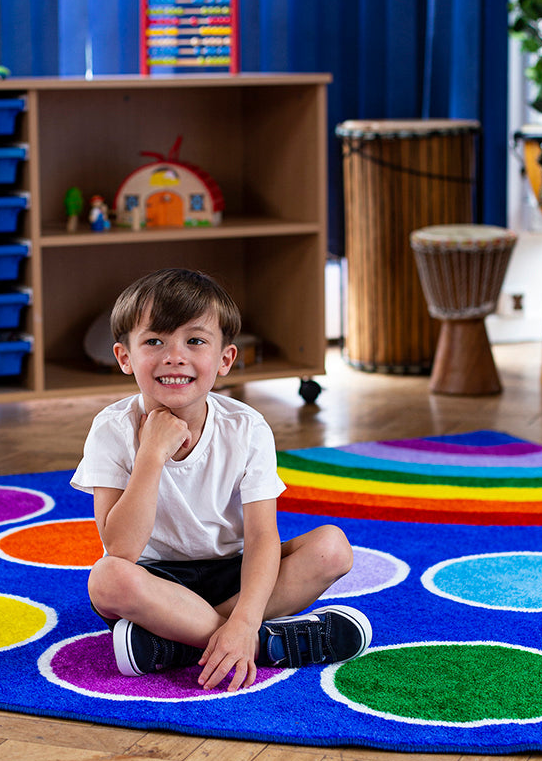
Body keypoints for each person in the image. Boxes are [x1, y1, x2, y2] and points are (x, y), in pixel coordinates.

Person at [71, 268, 371, 691]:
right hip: (157, 582)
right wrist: (152, 454)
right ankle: (265, 644)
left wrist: (245, 618)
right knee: (106, 578)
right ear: (124, 357)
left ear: (225, 359)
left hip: (237, 573)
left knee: (332, 549)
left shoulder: (247, 427)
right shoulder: (112, 429)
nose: (175, 356)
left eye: (195, 341)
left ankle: (185, 643)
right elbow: (119, 548)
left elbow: (264, 538)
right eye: (154, 341)